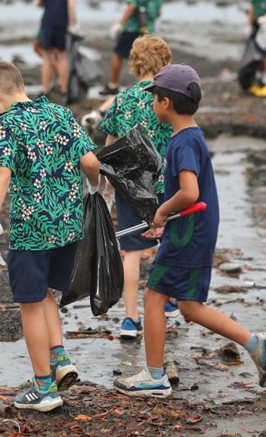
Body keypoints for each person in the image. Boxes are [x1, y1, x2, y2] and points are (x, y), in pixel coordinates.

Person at [113, 64, 266, 398]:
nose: (153, 105)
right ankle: (255, 343)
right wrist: (165, 223)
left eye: (154, 99)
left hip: (189, 234)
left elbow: (189, 192)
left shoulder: (182, 144)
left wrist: (161, 211)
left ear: (166, 104)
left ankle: (155, 376)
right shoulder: (191, 136)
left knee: (154, 296)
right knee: (189, 306)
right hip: (194, 230)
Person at [0, 60, 101, 412]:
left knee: (29, 303)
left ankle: (44, 388)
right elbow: (91, 161)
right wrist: (95, 188)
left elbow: (2, 174)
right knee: (45, 290)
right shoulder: (59, 114)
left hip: (32, 231)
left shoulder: (7, 124)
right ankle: (59, 358)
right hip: (67, 226)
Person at [97, 35, 179, 339]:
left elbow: (109, 145)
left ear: (134, 63)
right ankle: (168, 300)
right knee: (167, 242)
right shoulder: (167, 95)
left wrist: (105, 185)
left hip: (130, 186)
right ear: (165, 63)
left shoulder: (121, 100)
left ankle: (130, 318)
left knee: (131, 251)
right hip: (164, 183)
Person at [100, 0, 162, 96]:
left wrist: (120, 24)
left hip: (131, 28)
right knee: (146, 58)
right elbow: (159, 12)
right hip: (148, 29)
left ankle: (113, 85)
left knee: (117, 54)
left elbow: (131, 5)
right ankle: (147, 87)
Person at [34, 0, 79, 103]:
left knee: (47, 58)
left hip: (48, 23)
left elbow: (40, 2)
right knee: (62, 57)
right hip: (62, 24)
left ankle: (46, 91)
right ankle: (64, 91)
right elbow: (71, 6)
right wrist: (73, 24)